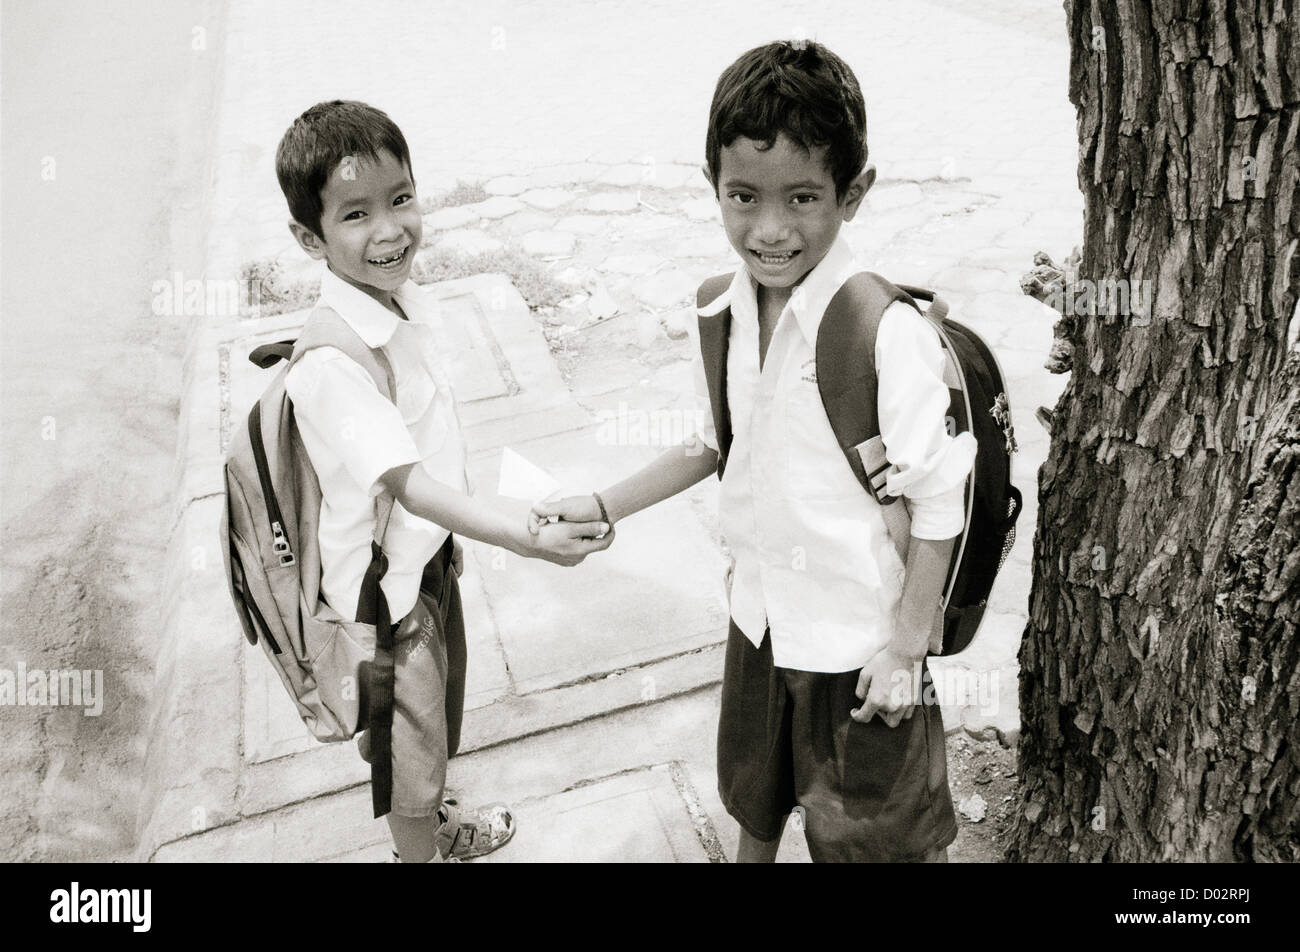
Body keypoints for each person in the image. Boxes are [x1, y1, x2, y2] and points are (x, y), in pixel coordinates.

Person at [532, 41, 976, 862]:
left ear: (855, 193)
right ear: (714, 189)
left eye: (803, 197)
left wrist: (907, 648)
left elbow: (940, 502)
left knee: (881, 841)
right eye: (743, 197)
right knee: (755, 804)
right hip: (761, 627)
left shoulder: (886, 335)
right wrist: (606, 504)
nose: (769, 230)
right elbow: (712, 442)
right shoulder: (721, 310)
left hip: (858, 648)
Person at [277, 100, 612, 862]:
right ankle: (418, 847)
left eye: (401, 199)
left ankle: (433, 820)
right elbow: (412, 485)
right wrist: (524, 536)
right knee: (407, 760)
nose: (390, 229)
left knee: (431, 726)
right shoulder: (333, 363)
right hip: (386, 605)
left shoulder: (399, 305)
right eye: (356, 214)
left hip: (426, 568)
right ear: (309, 237)